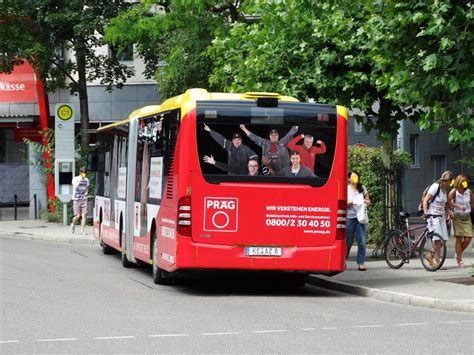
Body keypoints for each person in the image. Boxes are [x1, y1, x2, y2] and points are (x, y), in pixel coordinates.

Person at [422, 170, 454, 269]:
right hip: (433, 217)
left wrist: (449, 210)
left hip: (441, 217)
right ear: (446, 180)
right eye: (450, 181)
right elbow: (426, 200)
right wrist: (425, 213)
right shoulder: (435, 187)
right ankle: (438, 262)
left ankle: (430, 255)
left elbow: (443, 203)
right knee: (437, 240)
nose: (451, 183)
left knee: (443, 239)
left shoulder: (444, 189)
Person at [346, 170, 370, 271]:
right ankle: (343, 260)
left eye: (356, 176)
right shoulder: (346, 189)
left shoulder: (362, 188)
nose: (355, 178)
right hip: (350, 218)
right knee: (348, 242)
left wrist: (365, 202)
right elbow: (344, 203)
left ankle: (361, 263)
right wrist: (352, 202)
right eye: (353, 176)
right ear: (349, 179)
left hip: (360, 218)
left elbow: (369, 201)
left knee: (362, 242)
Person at [448, 174, 472, 268]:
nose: (464, 184)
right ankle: (459, 260)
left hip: (467, 217)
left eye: (465, 182)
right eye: (463, 182)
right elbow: (448, 202)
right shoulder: (454, 191)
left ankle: (458, 253)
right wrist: (457, 206)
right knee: (459, 239)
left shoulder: (469, 192)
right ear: (459, 182)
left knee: (468, 238)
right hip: (457, 217)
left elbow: (472, 204)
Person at [71, 167, 90, 235]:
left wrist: (86, 192)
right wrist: (80, 180)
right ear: (80, 172)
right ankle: (73, 224)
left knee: (84, 215)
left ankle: (82, 231)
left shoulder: (87, 180)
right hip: (76, 199)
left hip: (84, 199)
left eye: (85, 173)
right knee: (77, 216)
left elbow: (87, 188)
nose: (84, 175)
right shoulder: (75, 178)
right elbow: (75, 187)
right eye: (83, 173)